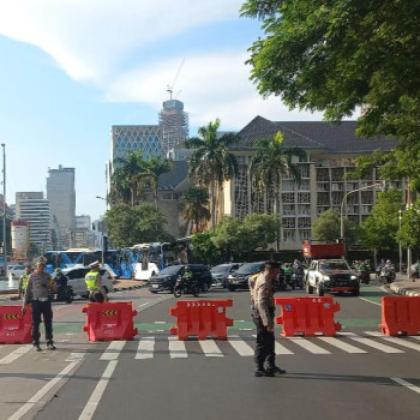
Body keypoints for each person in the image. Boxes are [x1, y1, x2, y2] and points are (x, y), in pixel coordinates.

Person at [251, 261, 286, 377]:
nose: (278, 274)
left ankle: (271, 365)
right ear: (271, 270)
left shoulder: (262, 277)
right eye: (277, 271)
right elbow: (261, 303)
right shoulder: (264, 281)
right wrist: (267, 322)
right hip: (261, 314)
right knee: (263, 341)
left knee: (269, 341)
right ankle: (259, 367)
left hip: (264, 312)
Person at [22, 258, 57, 351]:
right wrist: (24, 304)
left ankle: (49, 341)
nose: (41, 267)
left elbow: (54, 288)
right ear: (36, 267)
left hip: (46, 302)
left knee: (48, 323)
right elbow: (27, 291)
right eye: (39, 266)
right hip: (36, 302)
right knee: (36, 323)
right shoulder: (32, 277)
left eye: (42, 266)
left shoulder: (48, 276)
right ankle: (36, 342)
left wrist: (51, 286)